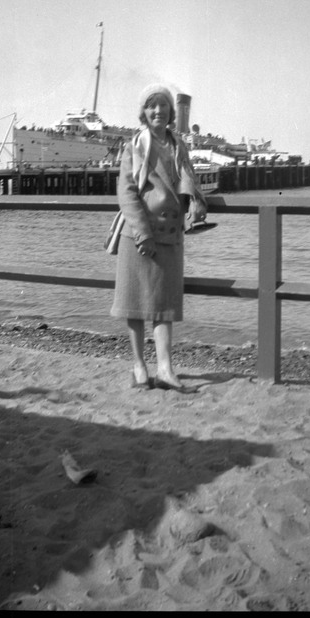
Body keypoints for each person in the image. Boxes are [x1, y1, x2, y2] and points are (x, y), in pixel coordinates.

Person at [110, 84, 208, 392]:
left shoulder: (179, 146)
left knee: (164, 306)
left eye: (163, 105)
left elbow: (189, 181)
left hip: (170, 236)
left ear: (171, 111)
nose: (158, 111)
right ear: (143, 112)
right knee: (135, 304)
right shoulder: (135, 146)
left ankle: (165, 370)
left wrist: (196, 205)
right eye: (152, 106)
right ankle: (139, 367)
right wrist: (143, 233)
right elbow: (126, 194)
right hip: (139, 236)